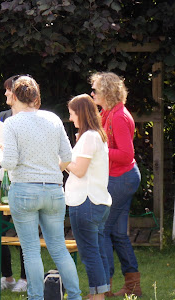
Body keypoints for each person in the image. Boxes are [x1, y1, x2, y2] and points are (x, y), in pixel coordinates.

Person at [0, 75, 81, 300]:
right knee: (59, 249)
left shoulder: (12, 122)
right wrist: (50, 171)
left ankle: (36, 298)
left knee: (31, 251)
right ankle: (75, 296)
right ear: (35, 96)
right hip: (53, 189)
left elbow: (9, 163)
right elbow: (68, 156)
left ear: (15, 95)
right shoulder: (53, 119)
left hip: (23, 190)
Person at [90, 72, 142, 297]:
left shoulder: (119, 116)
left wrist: (98, 150)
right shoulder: (107, 112)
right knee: (118, 234)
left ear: (107, 93)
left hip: (121, 179)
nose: (92, 93)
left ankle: (105, 287)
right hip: (120, 177)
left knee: (101, 230)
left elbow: (125, 154)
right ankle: (133, 285)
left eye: (95, 90)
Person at [61, 94, 112, 300]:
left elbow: (79, 171)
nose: (71, 119)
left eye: (72, 114)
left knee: (90, 254)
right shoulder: (96, 135)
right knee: (97, 252)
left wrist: (61, 161)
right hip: (96, 201)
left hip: (86, 202)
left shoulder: (89, 136)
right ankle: (99, 293)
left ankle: (97, 297)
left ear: (80, 113)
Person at [0, 75, 27, 292]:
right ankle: (7, 276)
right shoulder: (2, 117)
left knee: (24, 230)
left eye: (7, 90)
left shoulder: (34, 118)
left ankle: (25, 278)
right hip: (1, 179)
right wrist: (3, 156)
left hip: (24, 180)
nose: (5, 94)